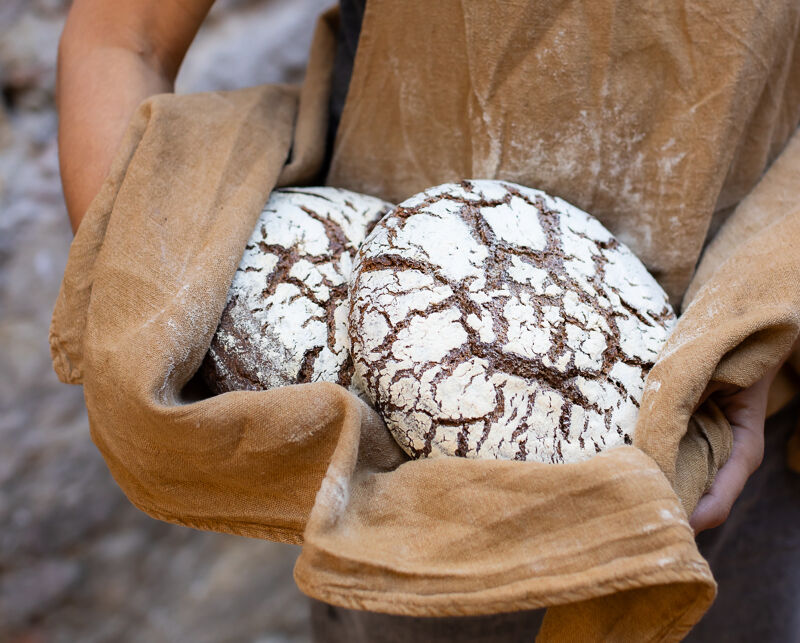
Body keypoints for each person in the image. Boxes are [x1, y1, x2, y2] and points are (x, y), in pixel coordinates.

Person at [57, 1, 800, 640]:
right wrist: (154, 317)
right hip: (424, 515)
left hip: (717, 433)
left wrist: (764, 316)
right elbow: (125, 36)